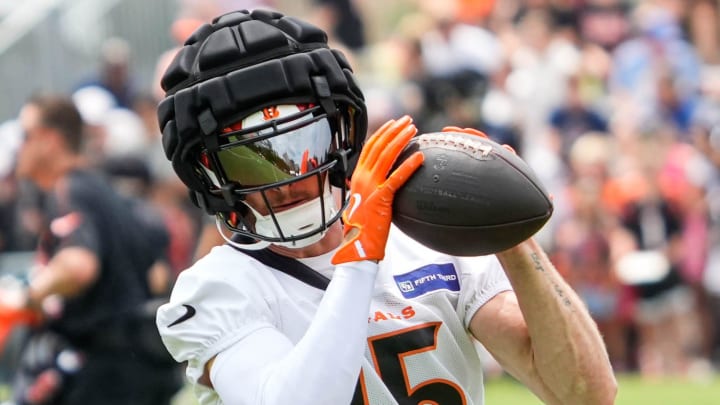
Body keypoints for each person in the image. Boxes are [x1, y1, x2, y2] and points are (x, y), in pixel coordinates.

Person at [155, 9, 617, 405]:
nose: (286, 179)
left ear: (340, 133)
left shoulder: (428, 238)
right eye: (251, 162)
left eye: (303, 145)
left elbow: (585, 393)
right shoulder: (216, 287)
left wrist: (511, 238)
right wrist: (360, 255)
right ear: (212, 176)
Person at [3, 94, 182, 404]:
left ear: (50, 140)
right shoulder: (98, 188)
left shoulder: (71, 189)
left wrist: (28, 296)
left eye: (26, 136)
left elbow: (78, 265)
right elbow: (156, 273)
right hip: (135, 367)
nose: (20, 147)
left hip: (106, 373)